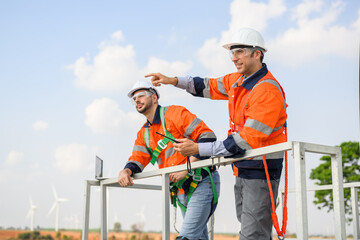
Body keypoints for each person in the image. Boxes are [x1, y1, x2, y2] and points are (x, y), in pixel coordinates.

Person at [145, 28, 287, 240]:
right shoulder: (238, 81)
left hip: (262, 168)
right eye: (231, 52)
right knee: (250, 227)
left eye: (239, 51)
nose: (234, 58)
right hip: (244, 167)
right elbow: (206, 85)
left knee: (253, 234)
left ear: (257, 53)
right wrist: (172, 80)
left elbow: (245, 141)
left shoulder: (266, 90)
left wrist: (198, 149)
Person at [118, 80, 221, 240]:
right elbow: (137, 160)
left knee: (186, 237)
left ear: (154, 98)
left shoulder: (175, 114)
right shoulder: (144, 134)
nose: (136, 100)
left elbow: (208, 137)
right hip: (180, 191)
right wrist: (125, 171)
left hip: (201, 182)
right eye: (134, 98)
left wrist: (186, 168)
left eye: (140, 95)